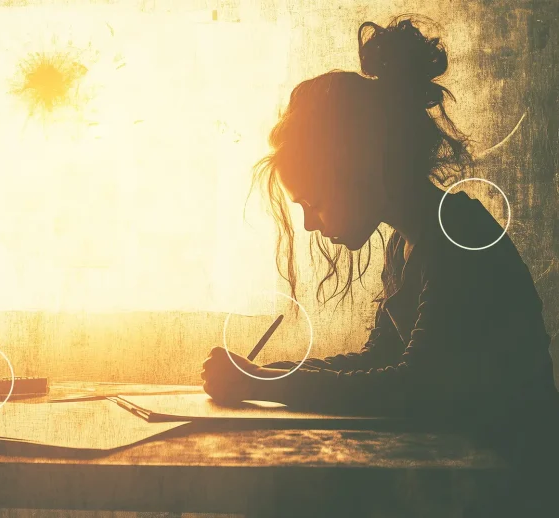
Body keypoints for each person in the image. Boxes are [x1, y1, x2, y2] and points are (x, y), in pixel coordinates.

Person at [200, 15, 559, 516]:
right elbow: (377, 361)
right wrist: (265, 373)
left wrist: (265, 382)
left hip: (518, 488)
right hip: (465, 477)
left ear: (358, 170)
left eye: (315, 201)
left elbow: (411, 387)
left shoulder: (459, 237)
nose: (307, 224)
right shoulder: (406, 244)